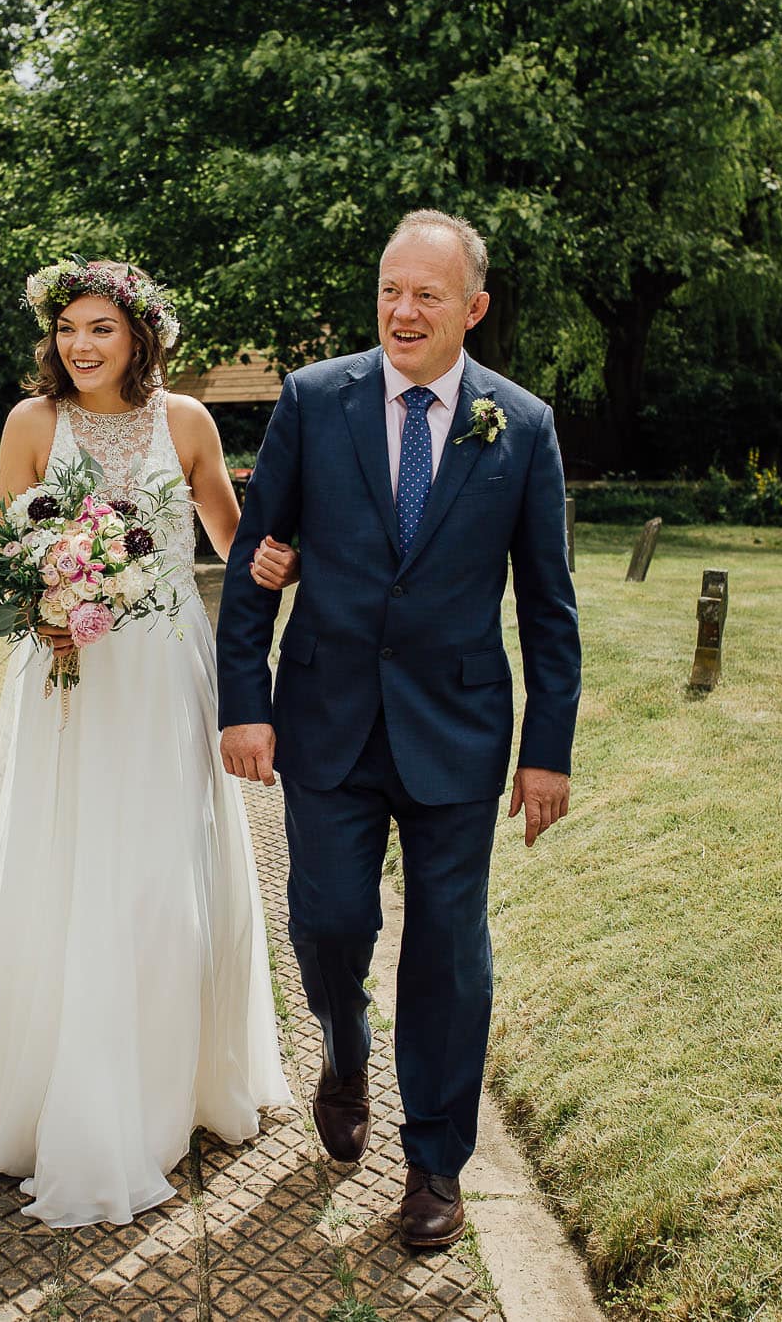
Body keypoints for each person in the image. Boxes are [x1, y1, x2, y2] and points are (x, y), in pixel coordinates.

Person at [215, 210, 582, 1249]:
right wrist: (243, 698)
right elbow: (255, 558)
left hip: (458, 730)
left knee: (448, 952)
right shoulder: (313, 399)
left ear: (471, 308)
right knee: (328, 921)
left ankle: (432, 1164)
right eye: (389, 290)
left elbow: (549, 607)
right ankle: (341, 1043)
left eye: (426, 294)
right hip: (324, 716)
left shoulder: (522, 425)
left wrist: (546, 750)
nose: (402, 310)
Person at [0, 259, 301, 1227]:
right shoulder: (29, 425)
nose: (80, 346)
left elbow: (229, 536)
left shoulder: (186, 422)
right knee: (67, 862)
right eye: (66, 330)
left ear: (141, 334)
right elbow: (4, 552)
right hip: (68, 679)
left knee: (157, 869)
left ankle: (172, 1087)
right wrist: (40, 607)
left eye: (100, 328)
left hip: (162, 669)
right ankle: (66, 1092)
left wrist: (288, 551)